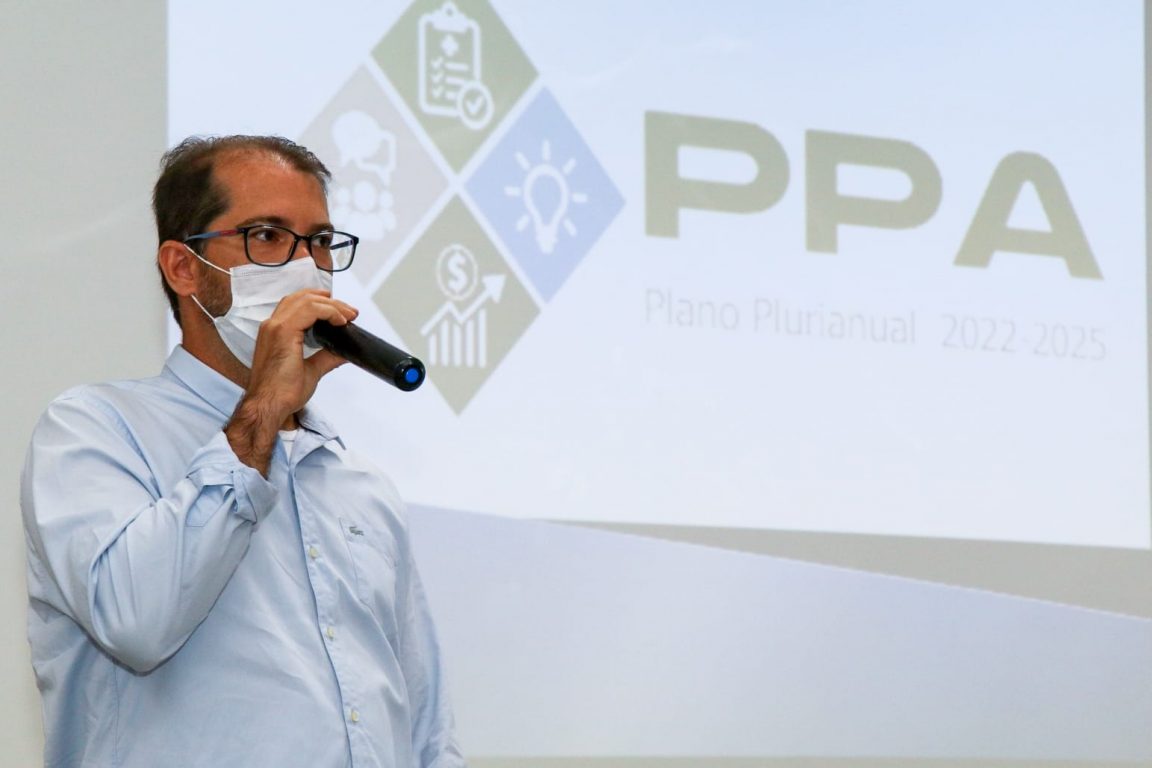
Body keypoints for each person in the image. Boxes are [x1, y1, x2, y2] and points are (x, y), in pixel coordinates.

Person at [21, 135, 465, 768]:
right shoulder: (93, 429)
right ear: (183, 268)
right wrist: (261, 414)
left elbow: (424, 724)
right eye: (268, 236)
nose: (306, 265)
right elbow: (136, 623)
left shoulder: (358, 481)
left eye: (320, 241)